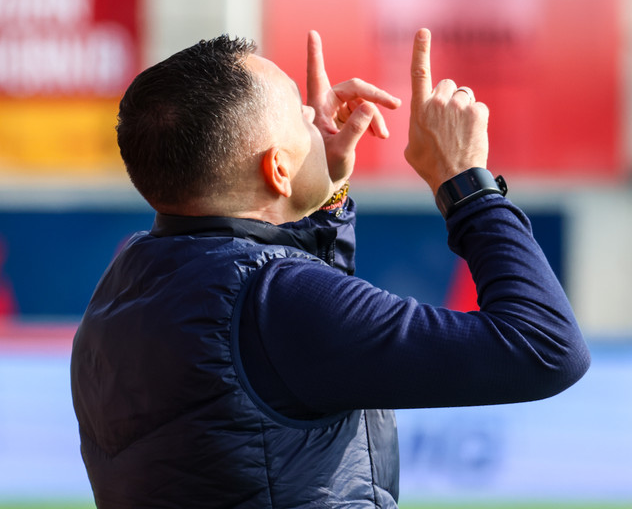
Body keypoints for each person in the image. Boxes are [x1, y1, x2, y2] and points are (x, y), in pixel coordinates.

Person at [71, 28, 590, 508]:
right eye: (299, 116)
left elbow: (292, 366)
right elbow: (545, 348)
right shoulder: (280, 302)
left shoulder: (127, 283)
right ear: (278, 169)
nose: (315, 118)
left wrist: (323, 190)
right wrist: (465, 180)